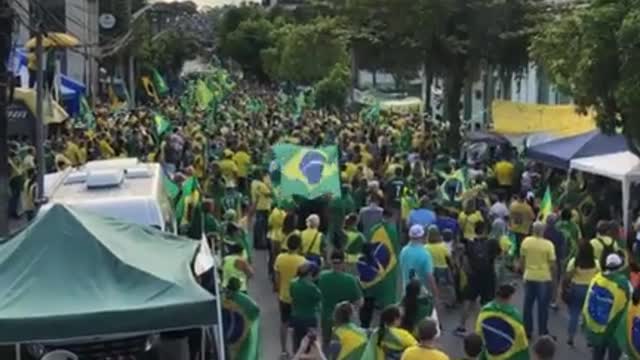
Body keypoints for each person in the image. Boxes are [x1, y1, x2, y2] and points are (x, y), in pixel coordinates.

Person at [455, 220, 500, 336]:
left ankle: (461, 326)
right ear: (486, 230)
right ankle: (486, 326)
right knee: (487, 302)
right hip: (488, 276)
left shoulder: (469, 243)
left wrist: (466, 271)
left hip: (473, 276)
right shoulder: (492, 243)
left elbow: (463, 260)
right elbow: (498, 258)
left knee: (468, 300)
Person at [583, 253, 630, 360]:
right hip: (615, 329)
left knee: (597, 355)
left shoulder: (597, 278)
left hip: (598, 327)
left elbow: (588, 301)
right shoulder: (623, 284)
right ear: (620, 266)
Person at [317, 250, 363, 346]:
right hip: (345, 322)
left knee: (326, 345)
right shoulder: (351, 280)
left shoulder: (322, 277)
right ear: (343, 262)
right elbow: (360, 302)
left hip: (326, 319)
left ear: (331, 261)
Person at [520, 221, 556, 338]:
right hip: (543, 277)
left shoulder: (526, 242)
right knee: (543, 306)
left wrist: (523, 272)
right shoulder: (548, 244)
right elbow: (552, 263)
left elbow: (522, 260)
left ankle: (527, 330)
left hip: (529, 275)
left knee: (528, 305)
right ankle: (542, 331)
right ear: (543, 231)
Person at [274, 235, 307, 358]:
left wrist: (279, 292)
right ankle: (297, 351)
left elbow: (277, 279)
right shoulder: (302, 261)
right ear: (299, 246)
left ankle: (283, 350)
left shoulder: (280, 258)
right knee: (297, 325)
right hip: (298, 297)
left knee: (284, 323)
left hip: (284, 296)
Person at [476, 284, 528, 360]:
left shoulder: (484, 312)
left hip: (490, 356)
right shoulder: (515, 317)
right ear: (510, 297)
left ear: (497, 295)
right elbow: (521, 345)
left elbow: (479, 334)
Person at [564, 240, 599, 347]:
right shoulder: (596, 263)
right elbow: (599, 275)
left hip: (577, 287)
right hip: (590, 289)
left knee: (574, 313)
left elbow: (568, 276)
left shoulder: (574, 262)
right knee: (589, 315)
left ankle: (571, 337)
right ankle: (589, 339)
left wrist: (565, 286)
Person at [399, 224, 439, 298]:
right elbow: (430, 277)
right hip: (421, 296)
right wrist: (436, 295)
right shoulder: (425, 254)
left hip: (406, 294)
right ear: (423, 236)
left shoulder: (403, 251)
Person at [290, 262, 322, 352]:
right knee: (310, 346)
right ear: (310, 274)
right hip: (310, 319)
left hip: (296, 317)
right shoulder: (314, 289)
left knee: (297, 345)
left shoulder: (293, 283)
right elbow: (319, 304)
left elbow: (292, 299)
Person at [424, 225, 454, 307]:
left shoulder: (426, 247)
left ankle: (433, 302)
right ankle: (451, 301)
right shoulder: (442, 246)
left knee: (433, 285)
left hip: (431, 268)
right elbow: (449, 257)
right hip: (443, 267)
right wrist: (453, 267)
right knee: (449, 285)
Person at [252, 169, 273, 250]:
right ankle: (261, 244)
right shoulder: (261, 185)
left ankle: (257, 243)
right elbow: (269, 193)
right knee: (263, 227)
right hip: (264, 207)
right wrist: (268, 184)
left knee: (258, 226)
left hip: (258, 207)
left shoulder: (254, 183)